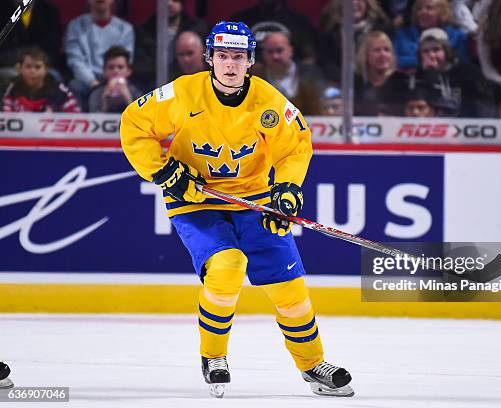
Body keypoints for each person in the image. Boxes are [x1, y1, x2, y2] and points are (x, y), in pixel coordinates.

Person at [120, 21, 353, 398]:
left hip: (255, 200)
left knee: (290, 289)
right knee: (227, 269)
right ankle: (213, 357)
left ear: (250, 61)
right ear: (210, 58)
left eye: (239, 57)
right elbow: (134, 123)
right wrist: (164, 172)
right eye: (223, 56)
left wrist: (288, 189)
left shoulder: (268, 102)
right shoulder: (182, 93)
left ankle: (312, 364)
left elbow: (295, 146)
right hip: (194, 201)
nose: (230, 64)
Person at [64, 0, 134, 102]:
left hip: (115, 76)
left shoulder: (125, 28)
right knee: (75, 86)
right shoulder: (75, 26)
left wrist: (114, 81)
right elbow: (75, 60)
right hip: (87, 80)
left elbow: (125, 61)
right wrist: (92, 82)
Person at [133, 0, 208, 89]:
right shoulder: (144, 31)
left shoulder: (199, 27)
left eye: (174, 0)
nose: (169, 3)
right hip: (155, 86)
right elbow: (142, 67)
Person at [251, 29, 324, 115]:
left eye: (279, 50)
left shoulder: (310, 75)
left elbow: (318, 110)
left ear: (290, 50)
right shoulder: (255, 77)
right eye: (270, 52)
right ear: (263, 54)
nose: (275, 56)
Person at [319, 0, 393, 83]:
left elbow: (390, 64)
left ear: (367, 3)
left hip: (380, 86)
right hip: (341, 86)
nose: (354, 2)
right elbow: (327, 67)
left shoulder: (384, 29)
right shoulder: (329, 33)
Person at [393, 0, 469, 70]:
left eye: (429, 8)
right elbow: (395, 61)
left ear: (442, 12)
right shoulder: (403, 35)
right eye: (419, 9)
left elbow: (462, 65)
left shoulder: (457, 36)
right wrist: (423, 61)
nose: (422, 12)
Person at [2, 47, 81, 113]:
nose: (32, 71)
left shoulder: (60, 91)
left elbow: (75, 115)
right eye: (28, 66)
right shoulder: (12, 89)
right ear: (20, 69)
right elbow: (5, 117)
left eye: (38, 67)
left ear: (46, 69)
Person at [88, 46, 141, 113]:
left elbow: (142, 120)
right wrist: (105, 101)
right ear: (104, 71)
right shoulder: (96, 94)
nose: (115, 71)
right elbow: (93, 120)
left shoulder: (135, 92)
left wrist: (128, 99)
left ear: (129, 71)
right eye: (111, 67)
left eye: (120, 67)